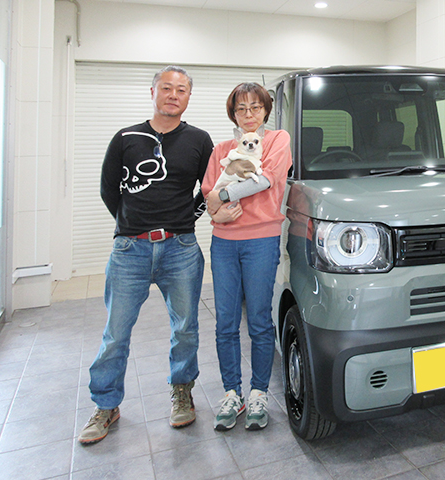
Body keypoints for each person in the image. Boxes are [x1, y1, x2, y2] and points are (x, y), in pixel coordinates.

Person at [78, 66, 214, 445]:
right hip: (130, 250)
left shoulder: (200, 140)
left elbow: (209, 188)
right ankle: (106, 405)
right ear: (152, 92)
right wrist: (130, 223)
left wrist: (187, 218)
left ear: (189, 97)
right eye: (166, 88)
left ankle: (182, 391)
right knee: (115, 333)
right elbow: (109, 190)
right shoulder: (126, 138)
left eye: (181, 90)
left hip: (180, 248)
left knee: (185, 327)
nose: (173, 95)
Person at [201, 82, 292, 431]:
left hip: (261, 241)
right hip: (223, 242)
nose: (249, 114)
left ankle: (258, 393)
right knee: (225, 322)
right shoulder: (221, 150)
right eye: (241, 108)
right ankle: (231, 393)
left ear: (266, 110)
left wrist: (223, 196)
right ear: (233, 114)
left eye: (255, 107)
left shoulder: (277, 140)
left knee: (258, 321)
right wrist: (216, 210)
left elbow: (265, 180)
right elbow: (207, 195)